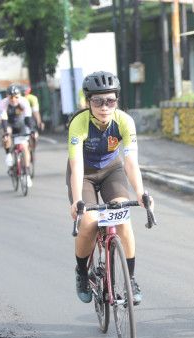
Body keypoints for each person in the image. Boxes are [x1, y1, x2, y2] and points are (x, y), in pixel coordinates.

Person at [67, 71, 150, 305]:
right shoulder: (79, 123)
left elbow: (131, 162)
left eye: (110, 101)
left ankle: (130, 279)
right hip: (84, 173)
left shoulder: (124, 121)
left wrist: (140, 192)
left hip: (112, 169)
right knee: (89, 222)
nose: (104, 107)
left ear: (116, 101)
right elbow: (76, 166)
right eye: (98, 101)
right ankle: (82, 273)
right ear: (88, 102)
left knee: (123, 218)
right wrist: (77, 200)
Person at [0, 84, 35, 187]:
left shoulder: (24, 102)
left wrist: (32, 129)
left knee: (25, 147)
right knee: (6, 133)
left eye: (16, 97)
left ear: (20, 96)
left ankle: (26, 173)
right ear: (7, 96)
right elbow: (3, 120)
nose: (13, 99)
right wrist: (5, 134)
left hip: (20, 124)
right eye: (11, 97)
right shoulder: (3, 103)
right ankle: (8, 154)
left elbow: (28, 118)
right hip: (8, 123)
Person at [19, 84, 44, 151]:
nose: (24, 97)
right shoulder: (17, 99)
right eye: (22, 95)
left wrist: (39, 122)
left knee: (35, 136)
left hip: (29, 117)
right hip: (19, 119)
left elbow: (36, 111)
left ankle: (33, 150)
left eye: (25, 95)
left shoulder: (32, 98)